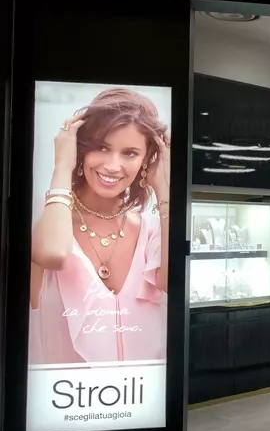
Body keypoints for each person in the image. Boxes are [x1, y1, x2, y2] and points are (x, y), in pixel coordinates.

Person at [30, 88, 170, 365]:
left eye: (130, 153)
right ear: (81, 148)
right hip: (62, 390)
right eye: (102, 147)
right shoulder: (44, 219)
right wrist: (62, 167)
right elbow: (53, 255)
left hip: (139, 388)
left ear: (147, 160)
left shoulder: (153, 228)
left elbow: (172, 281)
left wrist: (164, 190)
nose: (113, 166)